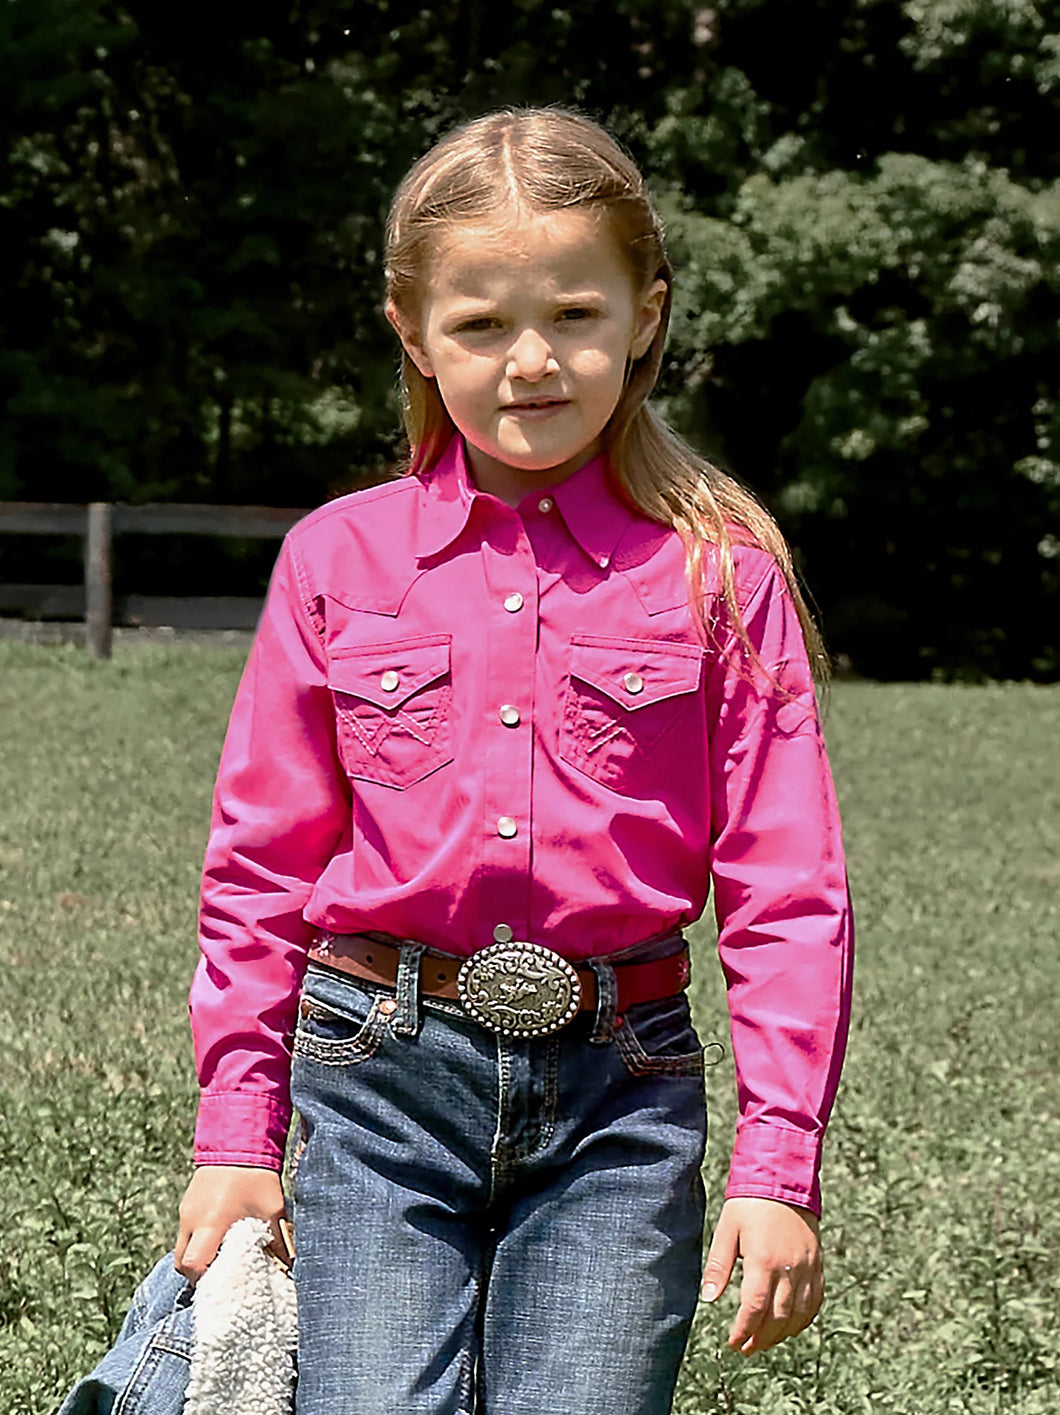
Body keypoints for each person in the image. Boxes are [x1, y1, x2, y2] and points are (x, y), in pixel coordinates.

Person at [174, 106, 853, 1415]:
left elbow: (790, 894)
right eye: (481, 324)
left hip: (623, 1100)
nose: (531, 361)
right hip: (375, 1082)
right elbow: (258, 868)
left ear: (645, 315)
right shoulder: (337, 560)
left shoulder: (724, 576)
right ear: (410, 330)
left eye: (577, 316)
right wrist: (236, 1139)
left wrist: (779, 1170)